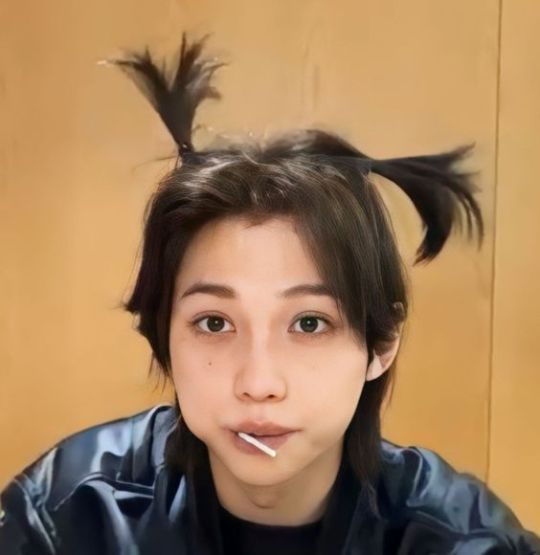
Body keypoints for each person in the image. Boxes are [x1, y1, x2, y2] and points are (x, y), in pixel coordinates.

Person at [1, 33, 539, 555]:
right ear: (162, 333)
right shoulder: (65, 517)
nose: (258, 384)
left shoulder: (463, 541)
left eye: (309, 323)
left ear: (381, 343)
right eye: (214, 323)